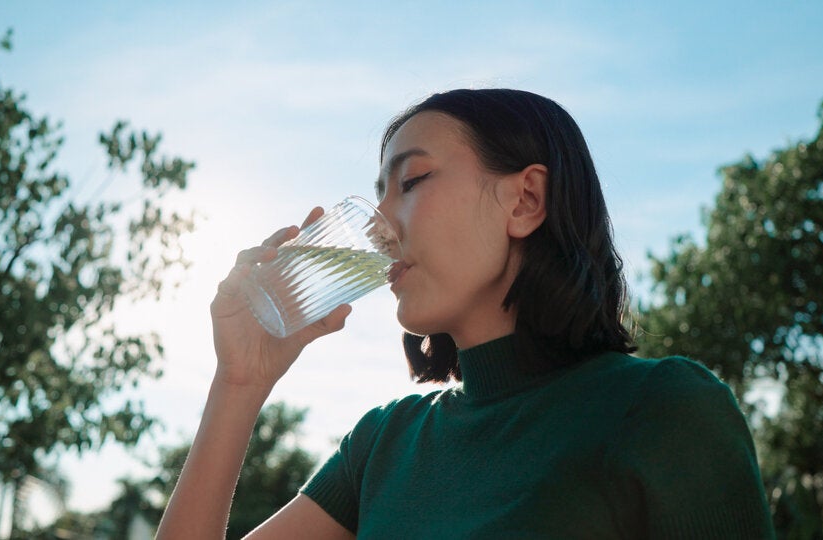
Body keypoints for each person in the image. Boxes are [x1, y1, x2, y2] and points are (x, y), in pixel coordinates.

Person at [156, 89, 775, 539]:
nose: (380, 228)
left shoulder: (662, 408)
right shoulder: (383, 444)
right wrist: (239, 382)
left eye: (413, 180)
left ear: (526, 201)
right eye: (377, 197)